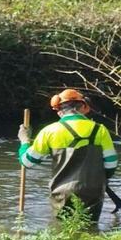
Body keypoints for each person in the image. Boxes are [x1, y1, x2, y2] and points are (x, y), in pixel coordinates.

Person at [18, 89, 117, 222]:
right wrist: (103, 178)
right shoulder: (100, 130)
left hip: (62, 194)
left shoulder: (49, 131)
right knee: (90, 229)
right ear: (83, 106)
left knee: (62, 231)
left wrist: (24, 141)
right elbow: (111, 163)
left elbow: (27, 162)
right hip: (93, 193)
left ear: (59, 110)